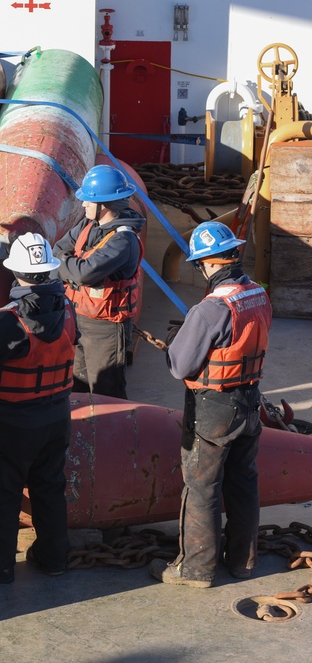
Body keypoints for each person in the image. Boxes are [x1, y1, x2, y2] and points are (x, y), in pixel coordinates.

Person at [151, 222, 270, 588]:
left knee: (201, 487)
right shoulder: (257, 294)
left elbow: (180, 366)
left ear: (207, 264)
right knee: (242, 482)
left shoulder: (210, 309)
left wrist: (177, 341)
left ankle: (196, 570)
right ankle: (242, 562)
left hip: (214, 409)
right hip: (249, 402)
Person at [0, 232, 77, 583]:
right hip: (57, 416)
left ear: (15, 272)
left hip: (14, 421)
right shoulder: (68, 311)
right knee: (49, 488)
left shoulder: (5, 322)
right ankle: (53, 558)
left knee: (1, 494)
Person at [53, 164, 145, 399]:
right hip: (78, 319)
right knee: (77, 386)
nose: (83, 204)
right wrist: (69, 264)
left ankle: (111, 434)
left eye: (88, 201)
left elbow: (85, 273)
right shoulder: (88, 225)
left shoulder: (123, 241)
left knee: (106, 391)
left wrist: (66, 264)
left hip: (106, 328)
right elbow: (57, 250)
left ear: (104, 205)